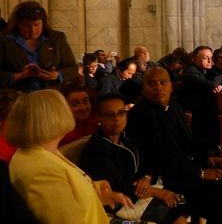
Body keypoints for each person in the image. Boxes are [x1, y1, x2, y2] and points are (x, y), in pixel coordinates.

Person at [126, 67, 222, 224]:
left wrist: (207, 156)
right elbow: (162, 159)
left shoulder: (174, 107)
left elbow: (190, 140)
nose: (158, 88)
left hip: (186, 168)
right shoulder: (141, 115)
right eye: (152, 84)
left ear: (170, 86)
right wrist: (200, 173)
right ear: (143, 88)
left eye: (163, 83)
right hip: (167, 178)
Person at [5, 89, 133, 224]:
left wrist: (102, 193)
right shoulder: (41, 171)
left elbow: (72, 188)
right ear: (53, 118)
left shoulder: (42, 150)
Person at [79, 94, 187, 224]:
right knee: (178, 220)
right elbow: (117, 187)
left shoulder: (126, 137)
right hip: (119, 202)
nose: (117, 119)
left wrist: (146, 177)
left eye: (121, 113)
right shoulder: (96, 149)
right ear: (99, 118)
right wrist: (156, 192)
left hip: (140, 191)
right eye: (109, 114)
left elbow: (147, 160)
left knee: (187, 198)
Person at [0, 1, 76, 92]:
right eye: (27, 26)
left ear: (43, 23)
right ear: (17, 24)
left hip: (50, 95)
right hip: (17, 96)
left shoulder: (56, 39)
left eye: (37, 25)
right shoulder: (4, 40)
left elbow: (72, 68)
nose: (33, 30)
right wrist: (19, 76)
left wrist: (56, 75)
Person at [180, 46, 221, 154]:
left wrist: (217, 86)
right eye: (205, 58)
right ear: (194, 58)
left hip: (204, 108)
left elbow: (212, 85)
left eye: (211, 58)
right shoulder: (191, 72)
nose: (209, 61)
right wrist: (219, 81)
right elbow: (210, 85)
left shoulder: (203, 71)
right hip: (197, 111)